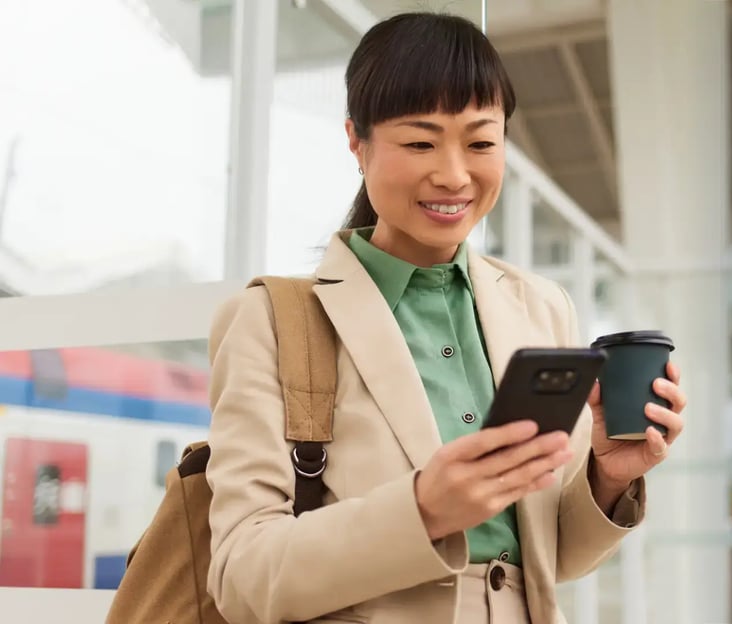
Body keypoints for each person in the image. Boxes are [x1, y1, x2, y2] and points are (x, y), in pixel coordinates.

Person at [204, 12, 687, 624]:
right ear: (356, 140)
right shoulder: (273, 320)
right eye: (419, 142)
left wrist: (606, 480)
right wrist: (423, 510)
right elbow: (241, 576)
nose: (455, 174)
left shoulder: (542, 307)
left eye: (481, 142)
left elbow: (546, 561)